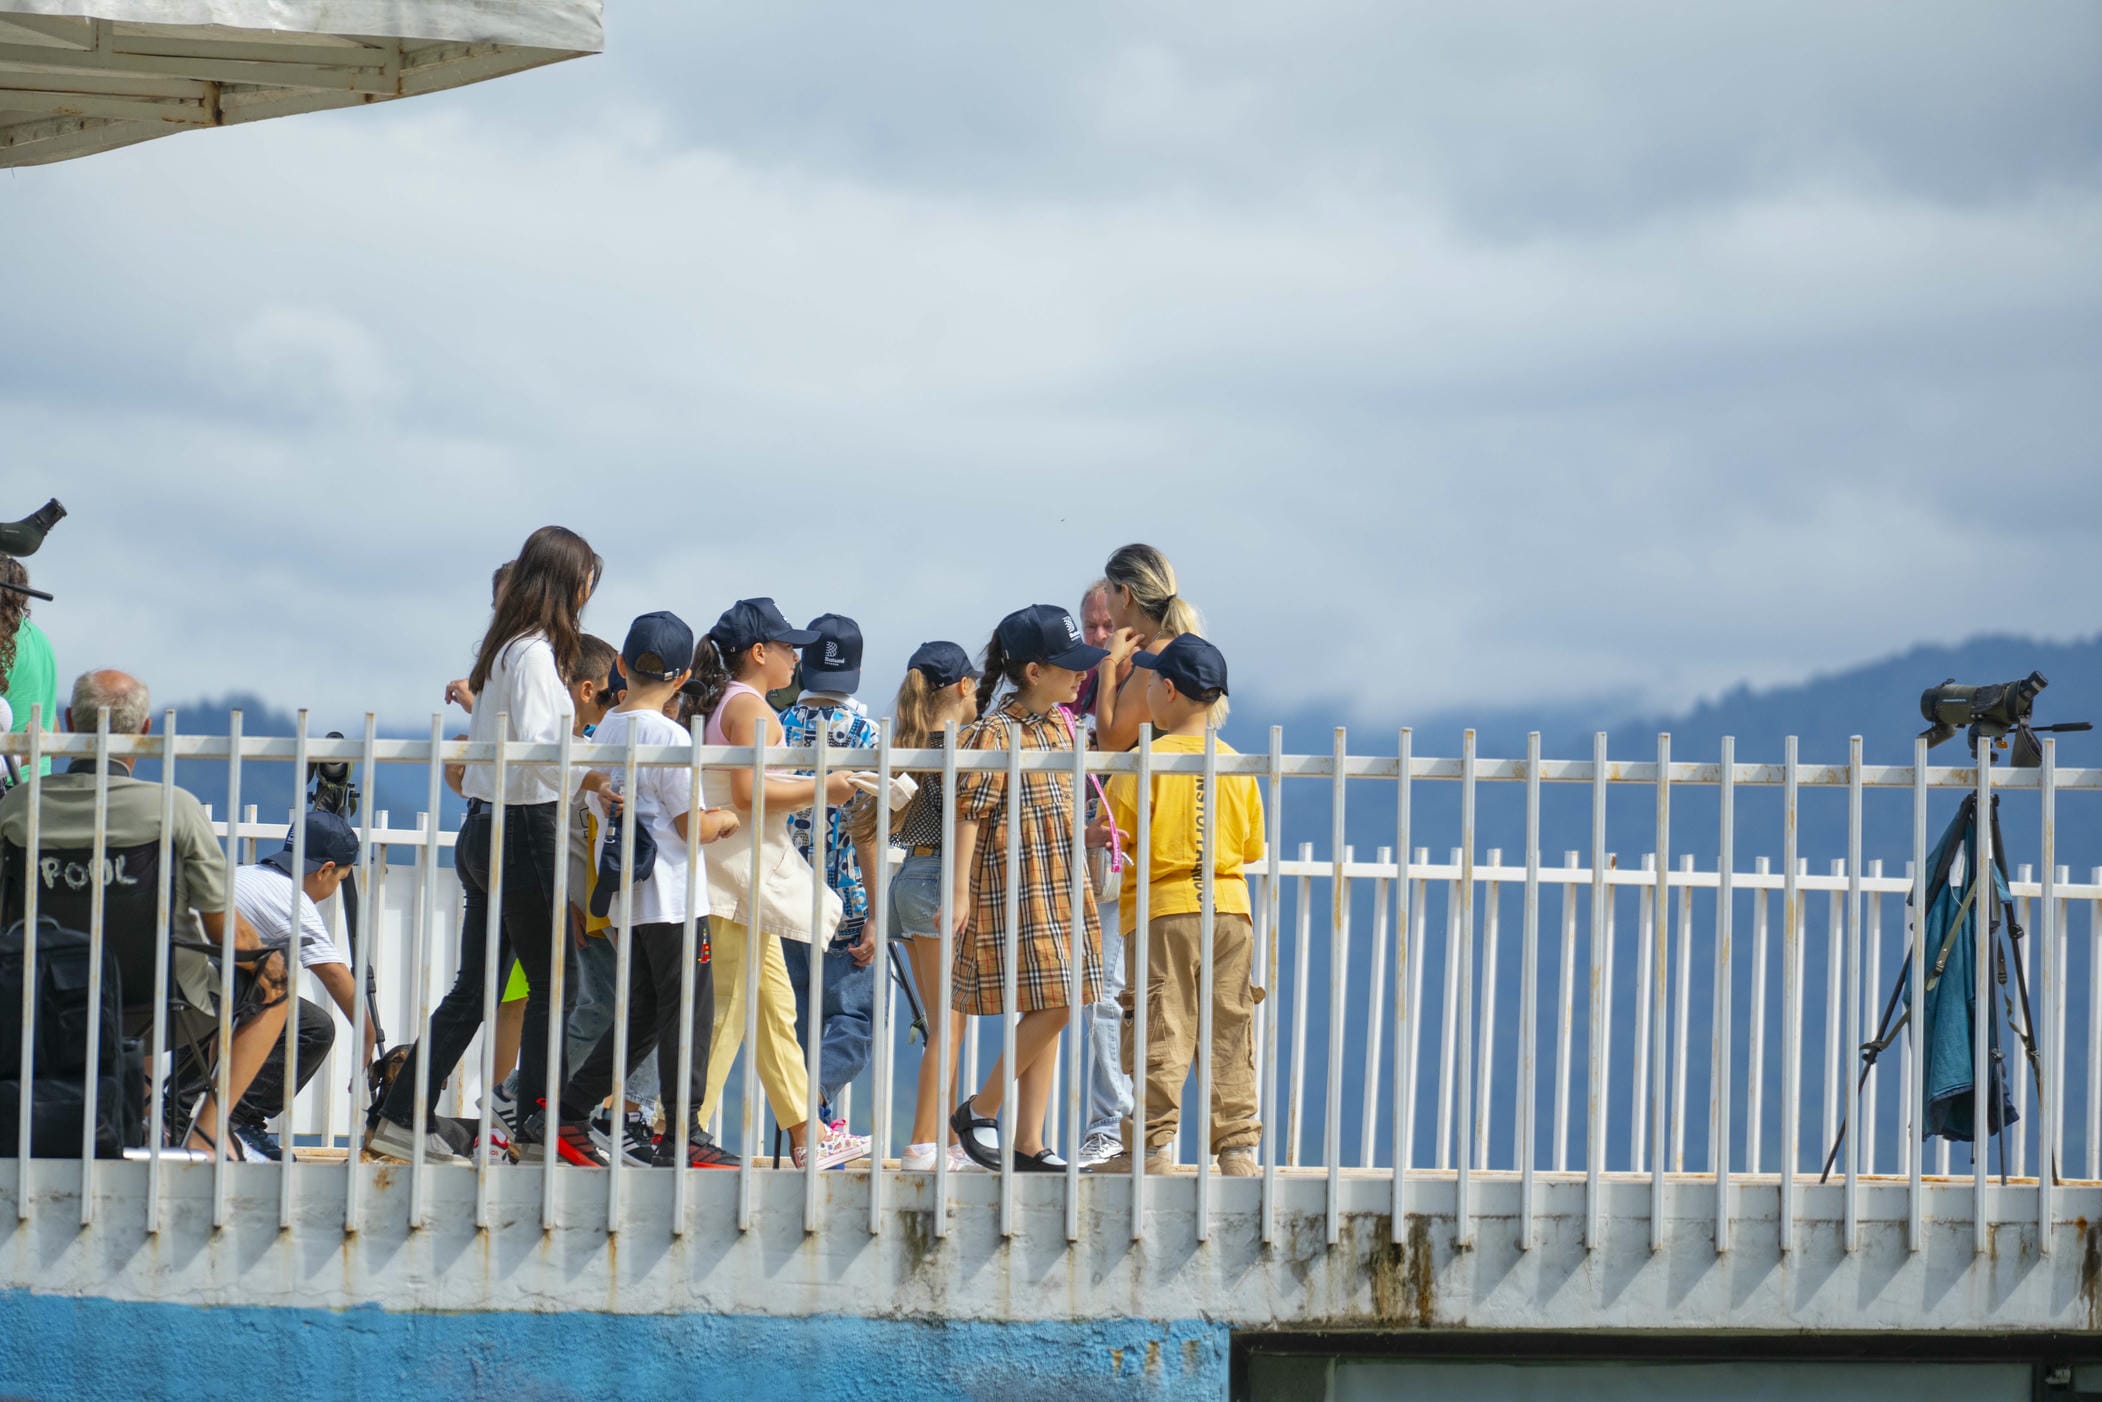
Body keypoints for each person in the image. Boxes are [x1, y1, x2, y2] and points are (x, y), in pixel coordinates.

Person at [369, 527, 618, 1165]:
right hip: (524, 825)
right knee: (554, 981)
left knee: (476, 989)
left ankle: (402, 1116)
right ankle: (534, 1125)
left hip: (482, 826)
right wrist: (595, 773)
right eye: (587, 578)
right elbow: (542, 748)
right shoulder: (535, 656)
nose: (590, 590)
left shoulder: (505, 649)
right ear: (569, 582)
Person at [0, 670, 289, 1161]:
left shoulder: (17, 807)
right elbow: (223, 930)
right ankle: (206, 1134)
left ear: (71, 721)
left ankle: (132, 1116)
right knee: (274, 987)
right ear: (145, 730)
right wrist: (266, 961)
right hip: (156, 1001)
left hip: (42, 999)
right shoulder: (173, 808)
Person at [542, 611, 741, 1169]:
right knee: (689, 1012)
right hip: (675, 895)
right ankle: (684, 1131)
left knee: (646, 1016)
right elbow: (689, 826)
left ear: (623, 666)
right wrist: (725, 818)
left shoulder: (606, 730)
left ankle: (571, 1110)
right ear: (680, 680)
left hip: (631, 896)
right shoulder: (669, 735)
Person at [687, 599, 869, 1170]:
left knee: (771, 1010)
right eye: (788, 647)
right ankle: (685, 1129)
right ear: (760, 653)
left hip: (732, 874)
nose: (797, 656)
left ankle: (803, 1134)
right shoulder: (753, 710)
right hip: (744, 878)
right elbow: (747, 792)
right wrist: (827, 788)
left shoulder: (727, 702)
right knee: (737, 1011)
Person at [947, 605, 1108, 1172]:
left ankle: (1029, 1141)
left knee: (1051, 1005)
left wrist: (1086, 832)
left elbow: (1050, 808)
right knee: (1061, 1003)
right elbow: (970, 811)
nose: (1081, 673)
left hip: (1060, 877)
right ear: (1034, 672)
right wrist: (961, 891)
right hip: (1017, 883)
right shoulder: (995, 731)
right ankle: (979, 1110)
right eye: (1069, 665)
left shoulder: (1060, 726)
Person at [1098, 634, 1263, 1176]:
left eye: (1148, 681)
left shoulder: (1141, 760)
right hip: (1231, 909)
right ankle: (1237, 1148)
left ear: (1166, 691)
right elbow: (1251, 847)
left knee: (1158, 1023)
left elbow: (1118, 835)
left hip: (1163, 910)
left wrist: (1097, 832)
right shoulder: (1236, 764)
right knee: (1229, 1026)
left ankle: (1151, 1147)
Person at [851, 640, 979, 1173]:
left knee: (943, 1022)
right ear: (965, 688)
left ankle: (947, 1141)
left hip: (911, 878)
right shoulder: (960, 746)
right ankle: (923, 1142)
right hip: (941, 882)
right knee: (948, 1024)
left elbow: (865, 829)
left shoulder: (903, 744)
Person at [778, 613, 880, 1131]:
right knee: (856, 1022)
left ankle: (804, 1126)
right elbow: (866, 832)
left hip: (784, 902)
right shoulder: (866, 734)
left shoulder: (776, 729)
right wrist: (877, 915)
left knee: (793, 1024)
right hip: (846, 902)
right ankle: (814, 1099)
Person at [218, 811, 367, 1161]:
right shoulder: (290, 898)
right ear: (326, 870)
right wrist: (368, 1032)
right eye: (340, 879)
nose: (332, 891)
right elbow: (332, 972)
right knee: (313, 1028)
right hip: (208, 992)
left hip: (175, 984)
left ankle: (186, 1114)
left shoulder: (247, 875)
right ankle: (239, 1123)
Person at [1071, 577, 1135, 1171]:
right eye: (1089, 626)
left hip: (1131, 859)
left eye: (1106, 625)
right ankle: (1110, 1121)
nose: (1097, 637)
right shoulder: (1071, 688)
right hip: (1082, 860)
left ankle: (1118, 1122)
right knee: (1097, 992)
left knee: (1115, 994)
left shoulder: (1141, 687)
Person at [1092, 543, 1204, 755]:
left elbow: (1110, 745)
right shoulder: (1174, 644)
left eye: (1108, 592)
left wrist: (1108, 662)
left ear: (1125, 595)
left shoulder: (1157, 654)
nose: (1107, 605)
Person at [1, 553, 57, 775]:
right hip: (38, 784)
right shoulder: (41, 641)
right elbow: (51, 726)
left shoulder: (5, 644)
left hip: (9, 784)